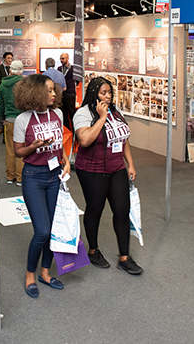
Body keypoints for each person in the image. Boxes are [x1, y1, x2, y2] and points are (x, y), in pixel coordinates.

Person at [73, 76, 142, 275]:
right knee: (95, 209)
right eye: (103, 93)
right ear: (94, 93)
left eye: (109, 93)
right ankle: (93, 250)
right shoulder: (83, 113)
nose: (107, 97)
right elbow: (85, 140)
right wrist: (101, 117)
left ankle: (125, 257)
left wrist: (130, 164)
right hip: (92, 169)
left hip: (116, 167)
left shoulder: (116, 111)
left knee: (122, 210)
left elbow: (123, 137)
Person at [13, 74, 70, 298]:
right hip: (33, 177)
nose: (54, 93)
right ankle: (30, 274)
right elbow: (18, 152)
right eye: (48, 90)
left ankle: (45, 273)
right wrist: (33, 147)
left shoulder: (57, 114)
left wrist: (66, 162)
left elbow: (60, 145)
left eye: (53, 90)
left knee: (54, 230)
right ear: (35, 93)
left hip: (55, 175)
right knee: (42, 231)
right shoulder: (22, 120)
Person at [0, 60, 25, 186]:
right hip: (23, 120)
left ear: (10, 70)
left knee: (9, 149)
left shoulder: (3, 84)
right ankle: (20, 178)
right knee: (22, 148)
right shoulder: (25, 84)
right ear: (22, 70)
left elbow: (0, 104)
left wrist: (3, 117)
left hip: (9, 119)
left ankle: (10, 176)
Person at [57, 53, 79, 132]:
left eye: (63, 58)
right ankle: (67, 132)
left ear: (67, 58)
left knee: (72, 114)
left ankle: (74, 132)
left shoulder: (73, 69)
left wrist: (72, 86)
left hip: (70, 94)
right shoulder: (59, 69)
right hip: (61, 95)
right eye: (60, 58)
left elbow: (78, 80)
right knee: (63, 114)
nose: (61, 60)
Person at [0, 52, 14, 134]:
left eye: (11, 58)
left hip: (12, 91)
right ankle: (0, 126)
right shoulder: (0, 68)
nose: (10, 60)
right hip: (3, 89)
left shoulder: (13, 68)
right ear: (4, 59)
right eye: (8, 58)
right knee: (1, 106)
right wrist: (4, 81)